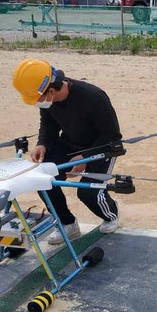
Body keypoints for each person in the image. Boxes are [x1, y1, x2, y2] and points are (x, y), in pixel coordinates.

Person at [12, 58, 124, 244]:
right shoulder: (48, 101)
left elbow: (112, 135)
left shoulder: (93, 97)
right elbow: (48, 125)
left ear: (51, 91)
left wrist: (86, 158)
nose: (36, 103)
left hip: (102, 147)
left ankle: (111, 214)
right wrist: (43, 143)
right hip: (69, 145)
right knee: (44, 182)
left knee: (88, 192)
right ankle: (68, 224)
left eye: (37, 99)